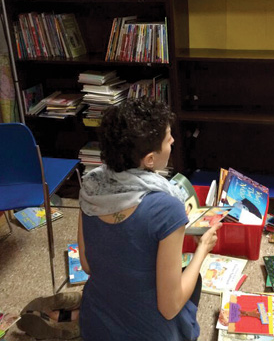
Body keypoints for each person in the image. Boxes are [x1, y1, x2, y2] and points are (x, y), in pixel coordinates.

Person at [77, 98, 221, 340]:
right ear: (150, 159)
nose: (173, 140)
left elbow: (88, 265)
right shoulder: (166, 208)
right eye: (167, 138)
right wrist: (203, 250)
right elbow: (169, 306)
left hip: (95, 327)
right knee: (193, 278)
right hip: (148, 333)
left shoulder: (91, 186)